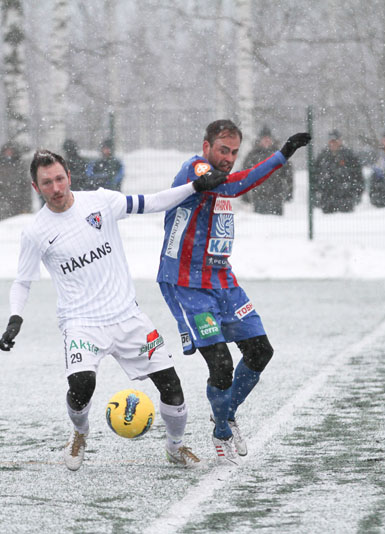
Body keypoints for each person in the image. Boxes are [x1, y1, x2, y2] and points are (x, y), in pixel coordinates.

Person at [0, 148, 229, 471]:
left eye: (60, 179)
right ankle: (79, 433)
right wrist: (15, 318)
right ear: (36, 187)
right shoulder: (35, 232)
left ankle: (175, 447)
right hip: (81, 323)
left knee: (172, 388)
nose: (56, 188)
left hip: (128, 317)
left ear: (69, 176)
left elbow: (152, 202)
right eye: (47, 183)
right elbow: (22, 282)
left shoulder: (101, 202)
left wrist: (194, 187)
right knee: (81, 386)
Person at [156, 119, 310, 465]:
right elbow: (228, 182)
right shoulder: (196, 169)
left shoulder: (222, 179)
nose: (228, 158)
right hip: (188, 285)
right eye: (222, 150)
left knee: (260, 352)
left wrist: (280, 155)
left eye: (234, 152)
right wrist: (282, 155)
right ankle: (222, 431)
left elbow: (232, 184)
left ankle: (224, 414)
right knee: (221, 364)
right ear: (206, 146)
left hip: (223, 279)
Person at [241, 126, 294, 215]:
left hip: (276, 196)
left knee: (276, 221)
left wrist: (289, 192)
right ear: (260, 140)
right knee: (259, 220)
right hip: (258, 196)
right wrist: (244, 195)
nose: (266, 141)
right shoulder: (252, 155)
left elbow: (288, 175)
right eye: (264, 138)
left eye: (268, 138)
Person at [312, 129, 364, 213]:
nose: (333, 144)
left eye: (335, 141)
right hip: (327, 201)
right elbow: (315, 177)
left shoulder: (349, 156)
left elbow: (358, 176)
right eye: (331, 141)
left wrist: (355, 193)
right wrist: (318, 193)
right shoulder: (322, 157)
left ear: (340, 141)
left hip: (346, 199)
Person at [0, 142, 32, 222]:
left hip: (18, 207)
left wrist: (26, 208)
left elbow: (26, 190)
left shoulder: (21, 168)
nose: (8, 153)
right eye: (7, 151)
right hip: (0, 209)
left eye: (11, 151)